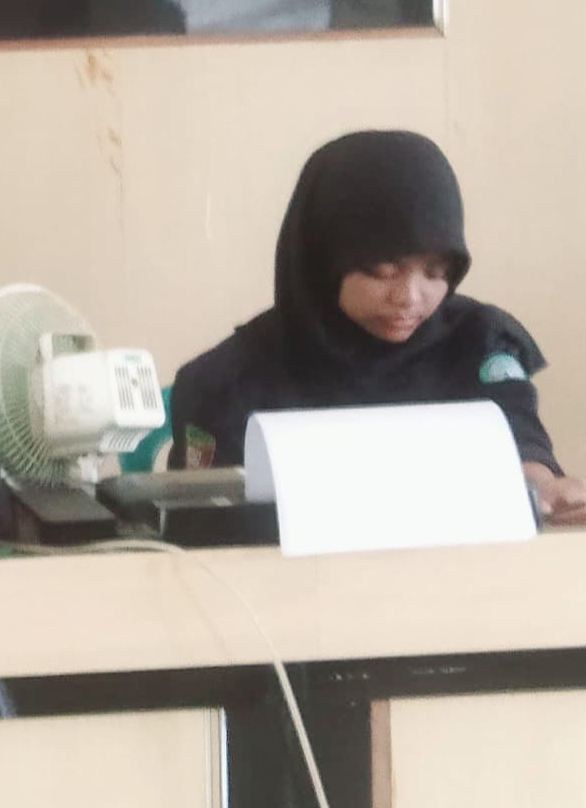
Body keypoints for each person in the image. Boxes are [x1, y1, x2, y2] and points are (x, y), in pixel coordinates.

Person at [168, 130, 586, 523]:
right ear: (323, 260)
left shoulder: (477, 342)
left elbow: (517, 428)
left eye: (436, 272)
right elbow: (200, 525)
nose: (409, 297)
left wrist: (541, 483)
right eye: (384, 271)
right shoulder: (225, 380)